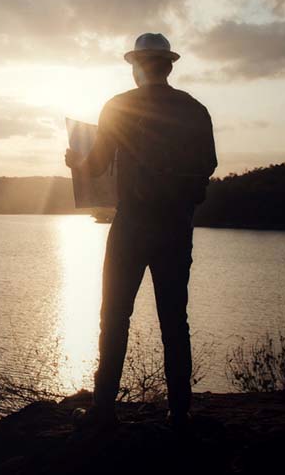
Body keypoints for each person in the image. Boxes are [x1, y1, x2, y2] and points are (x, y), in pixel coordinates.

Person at [65, 32, 217, 431]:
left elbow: (97, 165)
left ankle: (103, 411)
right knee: (174, 320)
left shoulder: (119, 106)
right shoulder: (194, 110)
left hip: (132, 225)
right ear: (168, 67)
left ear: (136, 67)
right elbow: (209, 163)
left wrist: (75, 161)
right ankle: (179, 413)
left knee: (114, 317)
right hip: (175, 226)